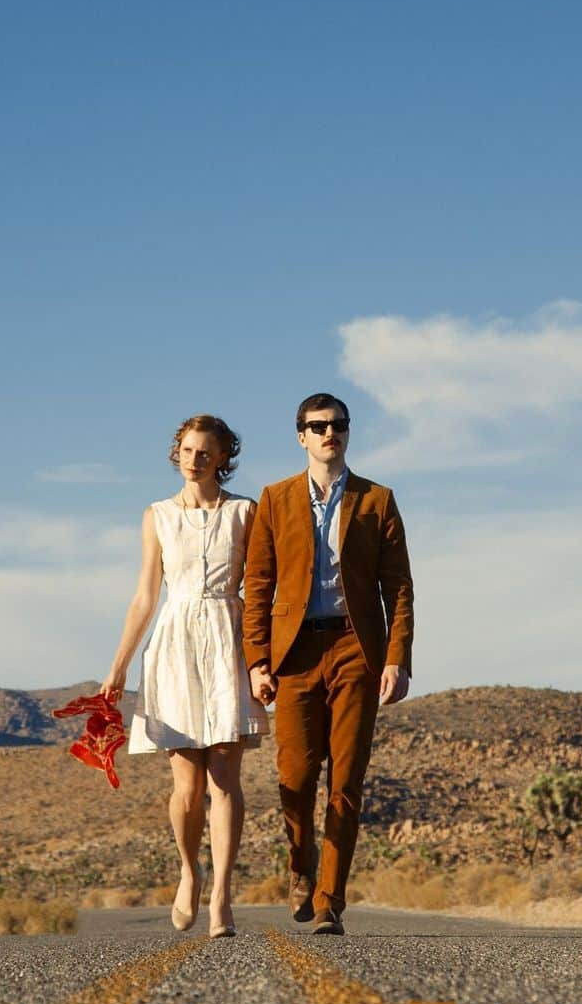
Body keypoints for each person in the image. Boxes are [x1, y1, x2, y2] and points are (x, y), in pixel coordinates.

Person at [243, 392, 414, 935]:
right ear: (301, 436)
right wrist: (257, 661)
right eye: (317, 426)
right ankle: (301, 867)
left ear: (347, 431)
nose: (328, 434)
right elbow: (258, 587)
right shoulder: (274, 499)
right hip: (294, 654)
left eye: (337, 425)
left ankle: (329, 902)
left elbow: (399, 587)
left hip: (355, 650)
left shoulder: (377, 499)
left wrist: (397, 658)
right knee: (294, 775)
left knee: (346, 779)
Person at [100, 415, 268, 938]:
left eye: (206, 451)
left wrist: (263, 658)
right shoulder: (157, 516)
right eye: (188, 449)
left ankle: (222, 896)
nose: (194, 458)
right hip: (174, 643)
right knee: (188, 786)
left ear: (223, 457)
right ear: (178, 453)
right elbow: (146, 595)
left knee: (225, 778)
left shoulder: (245, 512)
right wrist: (118, 666)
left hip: (227, 638)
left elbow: (262, 586)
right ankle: (188, 872)